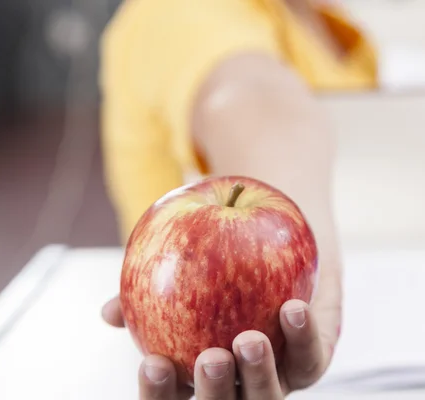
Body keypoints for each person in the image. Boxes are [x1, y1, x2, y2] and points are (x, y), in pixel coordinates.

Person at [98, 0, 378, 398]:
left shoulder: (318, 16)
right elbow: (247, 97)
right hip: (198, 329)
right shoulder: (172, 12)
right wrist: (278, 240)